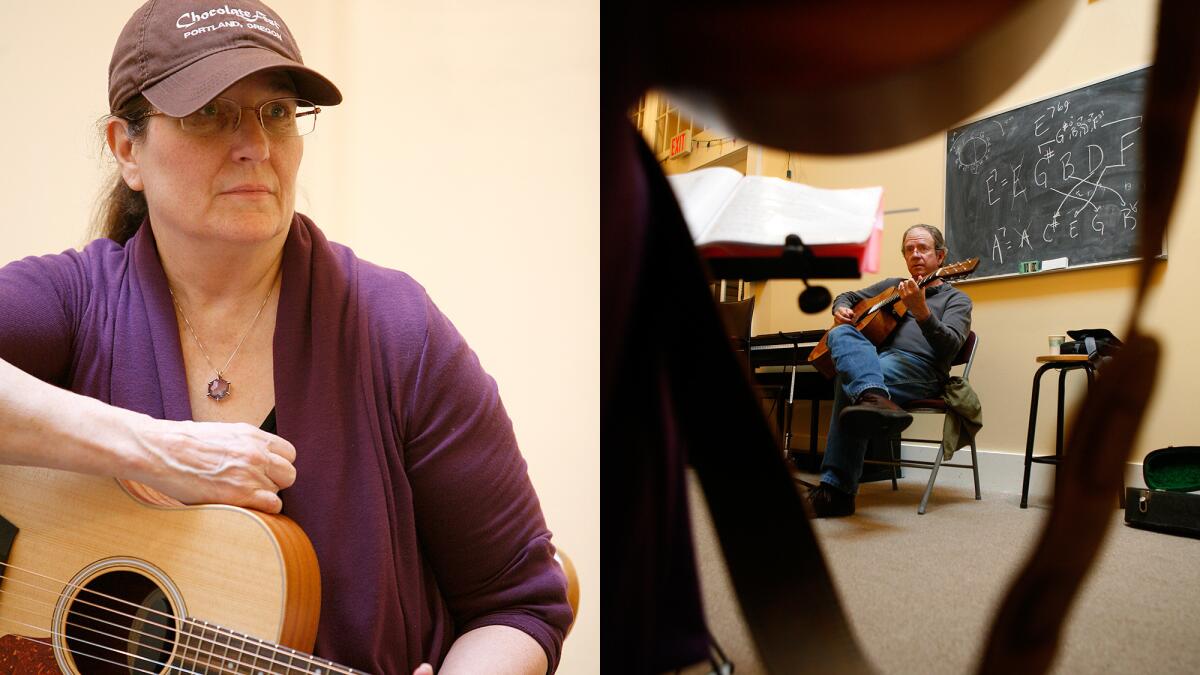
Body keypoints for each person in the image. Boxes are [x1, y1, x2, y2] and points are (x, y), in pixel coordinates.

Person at [0, 1, 571, 673]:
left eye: (276, 112)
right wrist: (157, 451)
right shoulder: (72, 301)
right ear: (127, 148)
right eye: (208, 112)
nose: (256, 146)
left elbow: (522, 603)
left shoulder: (397, 331)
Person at [806, 224, 973, 518]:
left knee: (849, 379)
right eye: (909, 249)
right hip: (877, 364)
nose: (916, 255)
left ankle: (837, 491)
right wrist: (840, 309)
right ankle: (873, 396)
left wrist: (922, 312)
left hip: (923, 372)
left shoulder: (957, 300)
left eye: (923, 248)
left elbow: (950, 348)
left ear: (941, 256)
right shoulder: (893, 286)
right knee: (839, 335)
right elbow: (848, 296)